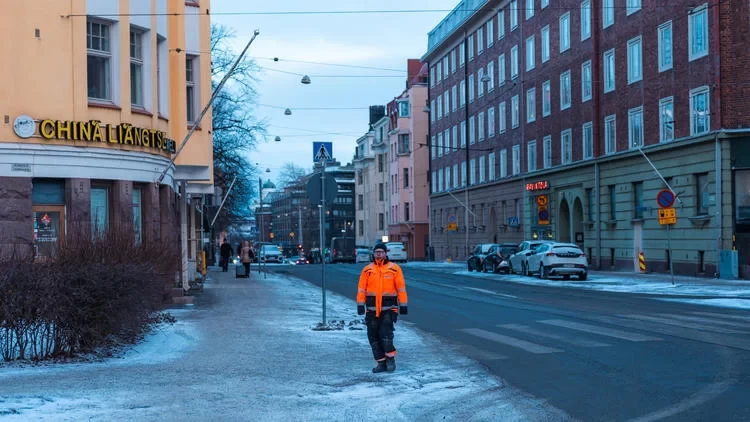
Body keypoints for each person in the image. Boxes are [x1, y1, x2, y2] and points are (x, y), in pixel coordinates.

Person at [356, 242, 408, 373]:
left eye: (381, 252)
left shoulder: (394, 268)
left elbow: (401, 289)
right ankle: (381, 362)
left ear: (386, 253)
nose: (379, 254)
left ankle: (390, 360)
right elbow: (362, 289)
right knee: (373, 337)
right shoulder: (367, 270)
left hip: (388, 309)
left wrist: (403, 305)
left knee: (386, 336)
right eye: (376, 252)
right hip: (371, 310)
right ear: (374, 254)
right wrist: (360, 304)